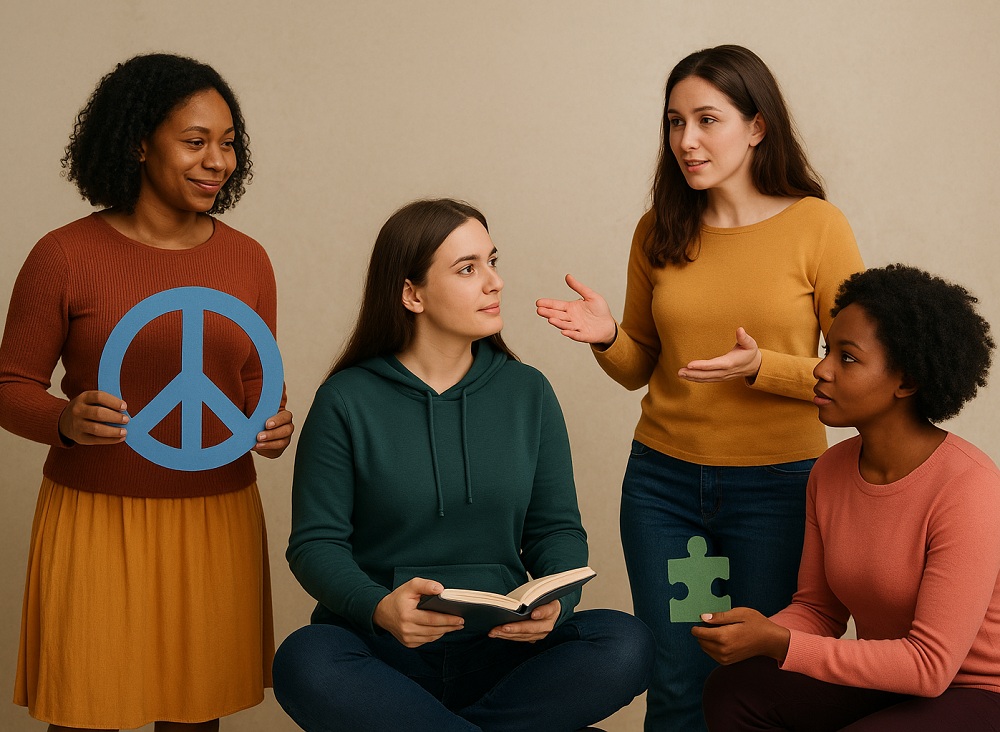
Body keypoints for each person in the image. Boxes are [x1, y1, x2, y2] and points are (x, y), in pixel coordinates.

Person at [535, 45, 865, 730]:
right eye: (674, 122)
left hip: (778, 491)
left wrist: (763, 368)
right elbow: (639, 367)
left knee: (756, 682)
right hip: (665, 491)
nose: (687, 140)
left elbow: (859, 375)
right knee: (678, 676)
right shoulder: (659, 229)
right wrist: (605, 337)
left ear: (757, 126)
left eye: (707, 119)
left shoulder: (817, 227)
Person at [271, 198, 654, 731]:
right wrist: (380, 607)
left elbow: (556, 530)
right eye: (468, 269)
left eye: (493, 262)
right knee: (303, 660)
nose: (494, 282)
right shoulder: (346, 399)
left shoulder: (528, 392)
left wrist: (557, 606)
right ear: (412, 293)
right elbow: (315, 544)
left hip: (501, 653)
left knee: (625, 642)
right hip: (387, 652)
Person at [0, 54, 294, 731]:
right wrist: (65, 421)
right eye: (195, 141)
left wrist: (272, 424)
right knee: (86, 713)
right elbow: (10, 385)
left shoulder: (248, 258)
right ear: (138, 142)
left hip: (215, 513)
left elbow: (253, 382)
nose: (216, 160)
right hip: (94, 517)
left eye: (227, 143)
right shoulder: (64, 254)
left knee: (194, 718)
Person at [695, 264, 1000, 730]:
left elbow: (929, 668)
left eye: (848, 358)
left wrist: (780, 643)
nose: (820, 369)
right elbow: (818, 610)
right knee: (735, 689)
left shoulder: (970, 487)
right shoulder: (830, 471)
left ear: (908, 381)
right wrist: (757, 631)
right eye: (826, 351)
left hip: (975, 693)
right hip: (887, 682)